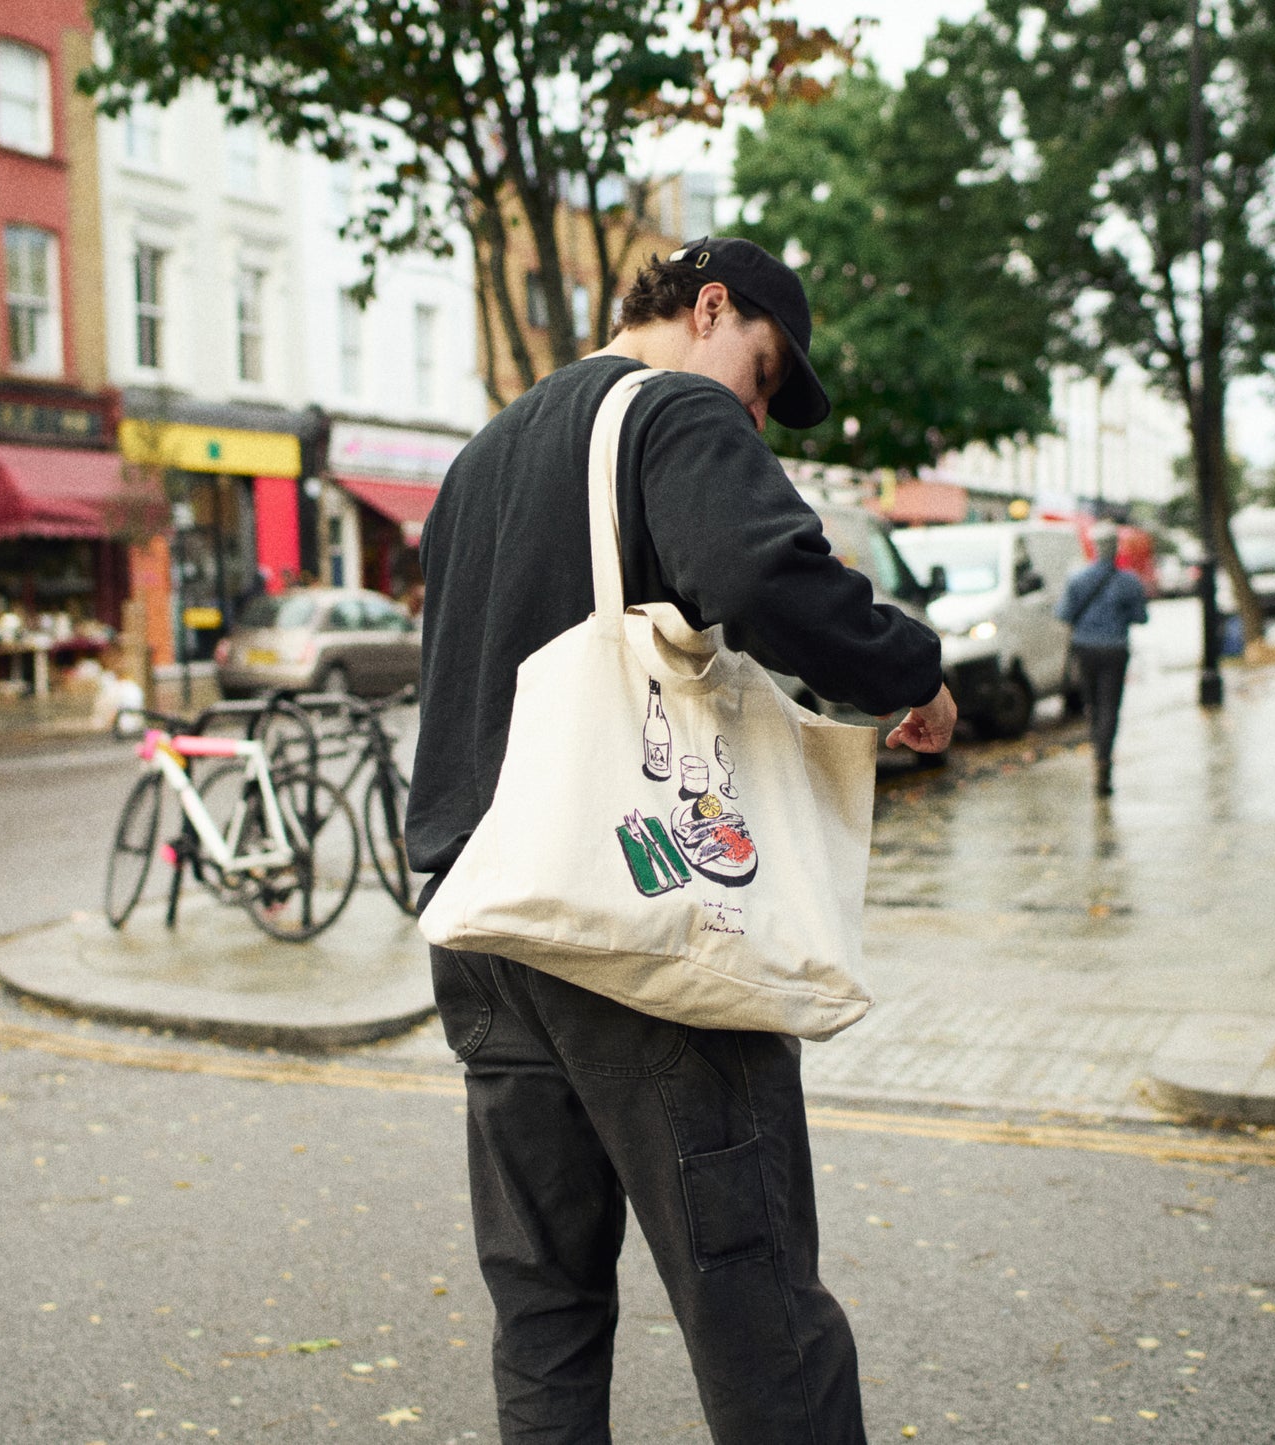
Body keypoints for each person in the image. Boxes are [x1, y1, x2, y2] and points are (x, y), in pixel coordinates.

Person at [406, 236, 956, 1444]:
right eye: (762, 375)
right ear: (711, 308)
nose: (757, 415)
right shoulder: (675, 415)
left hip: (484, 915)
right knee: (755, 1307)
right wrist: (909, 669)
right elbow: (762, 572)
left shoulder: (480, 459)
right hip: (636, 920)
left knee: (543, 1308)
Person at [1056, 522, 1148, 797]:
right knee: (1110, 705)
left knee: (1092, 704)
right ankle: (1103, 758)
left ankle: (1098, 752)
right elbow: (1141, 617)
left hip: (1085, 649)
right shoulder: (1128, 581)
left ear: (1094, 548)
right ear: (1115, 548)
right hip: (1115, 650)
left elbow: (1063, 614)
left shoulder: (1077, 579)